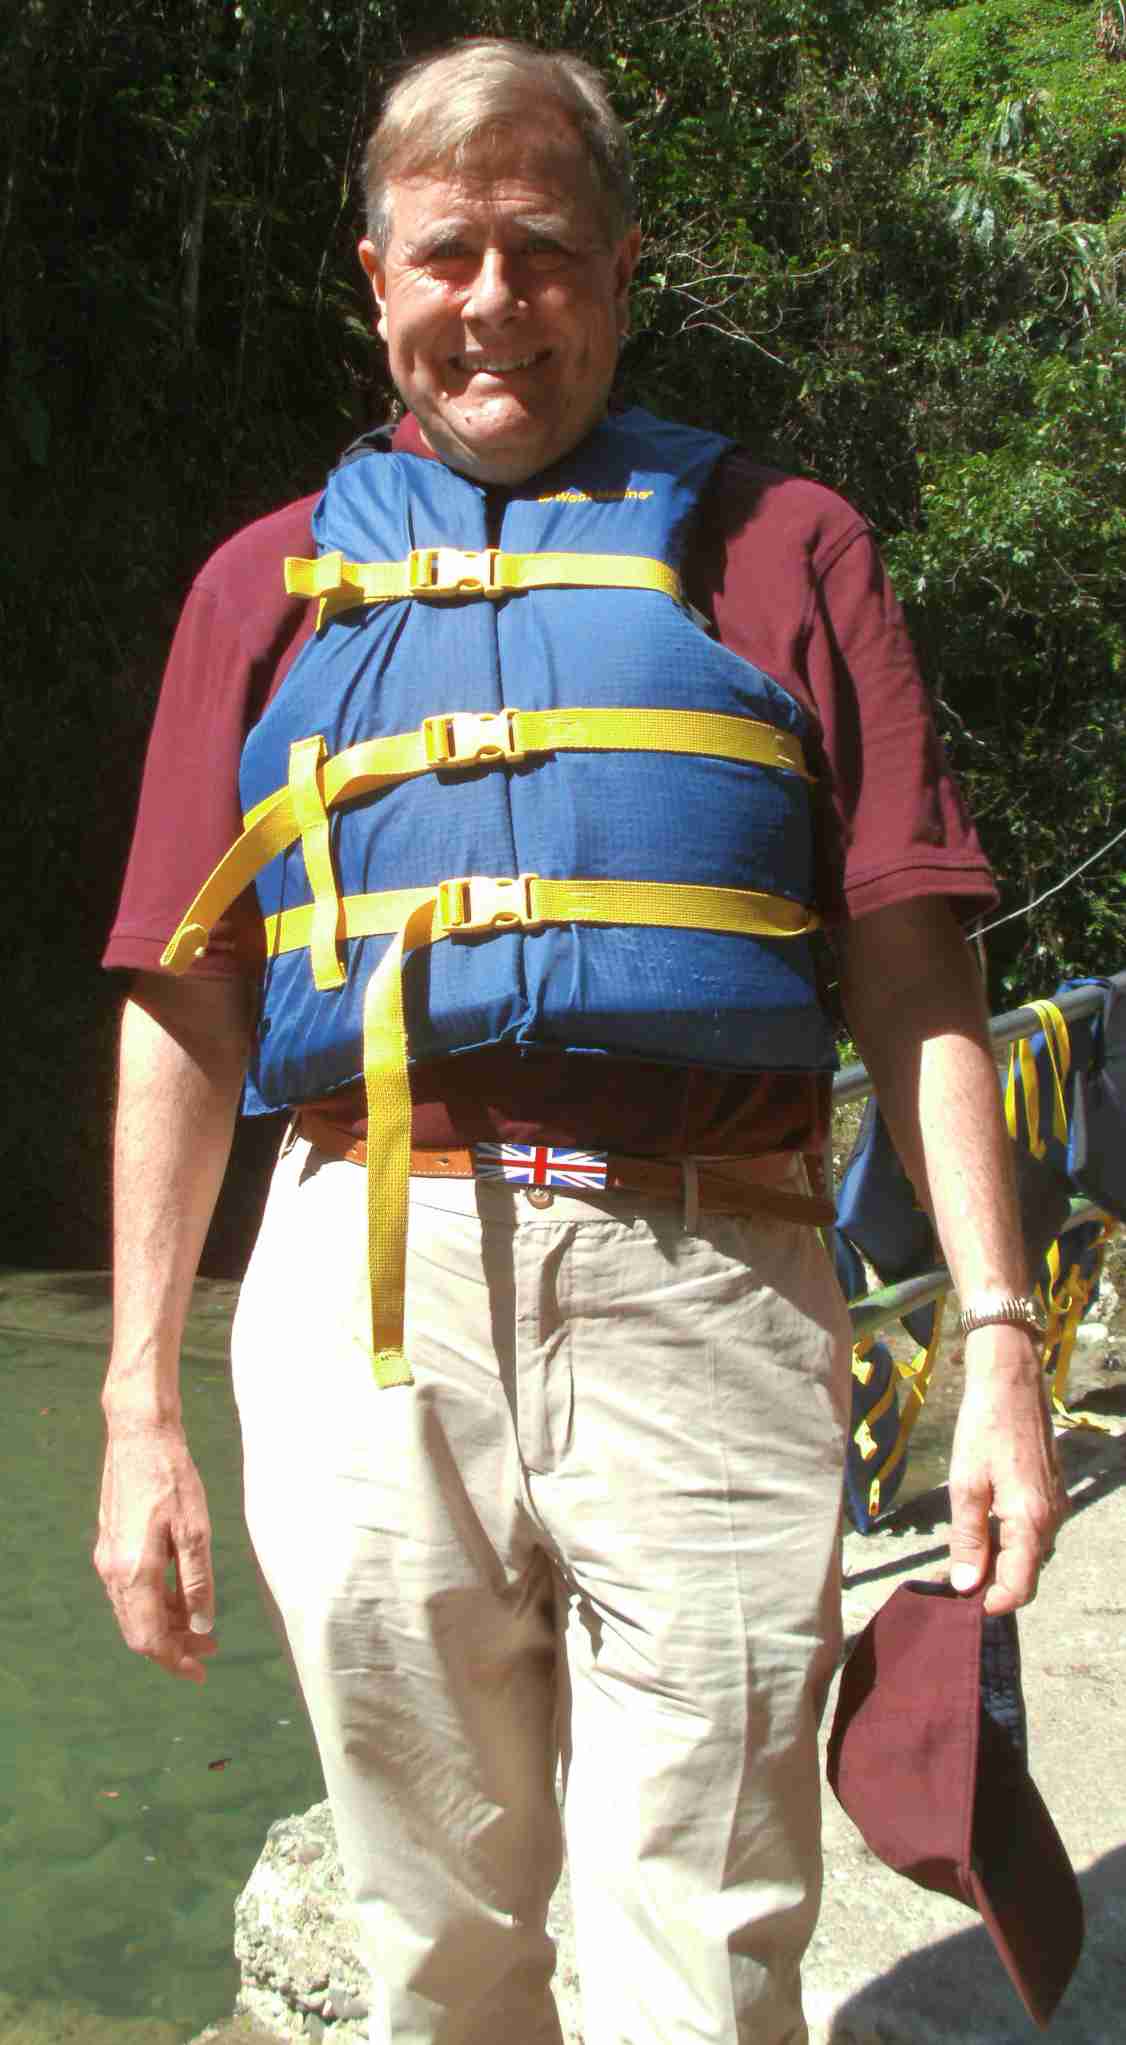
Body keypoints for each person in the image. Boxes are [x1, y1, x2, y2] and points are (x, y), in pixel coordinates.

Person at [96, 37, 1066, 2045]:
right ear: (374, 279)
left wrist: (995, 1345)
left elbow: (913, 971)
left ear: (619, 270)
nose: (492, 301)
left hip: (711, 1277)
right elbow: (183, 1003)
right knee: (431, 1939)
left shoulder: (788, 549)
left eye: (540, 251)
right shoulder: (256, 593)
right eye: (445, 253)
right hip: (367, 1298)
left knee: (702, 1950)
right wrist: (134, 1415)